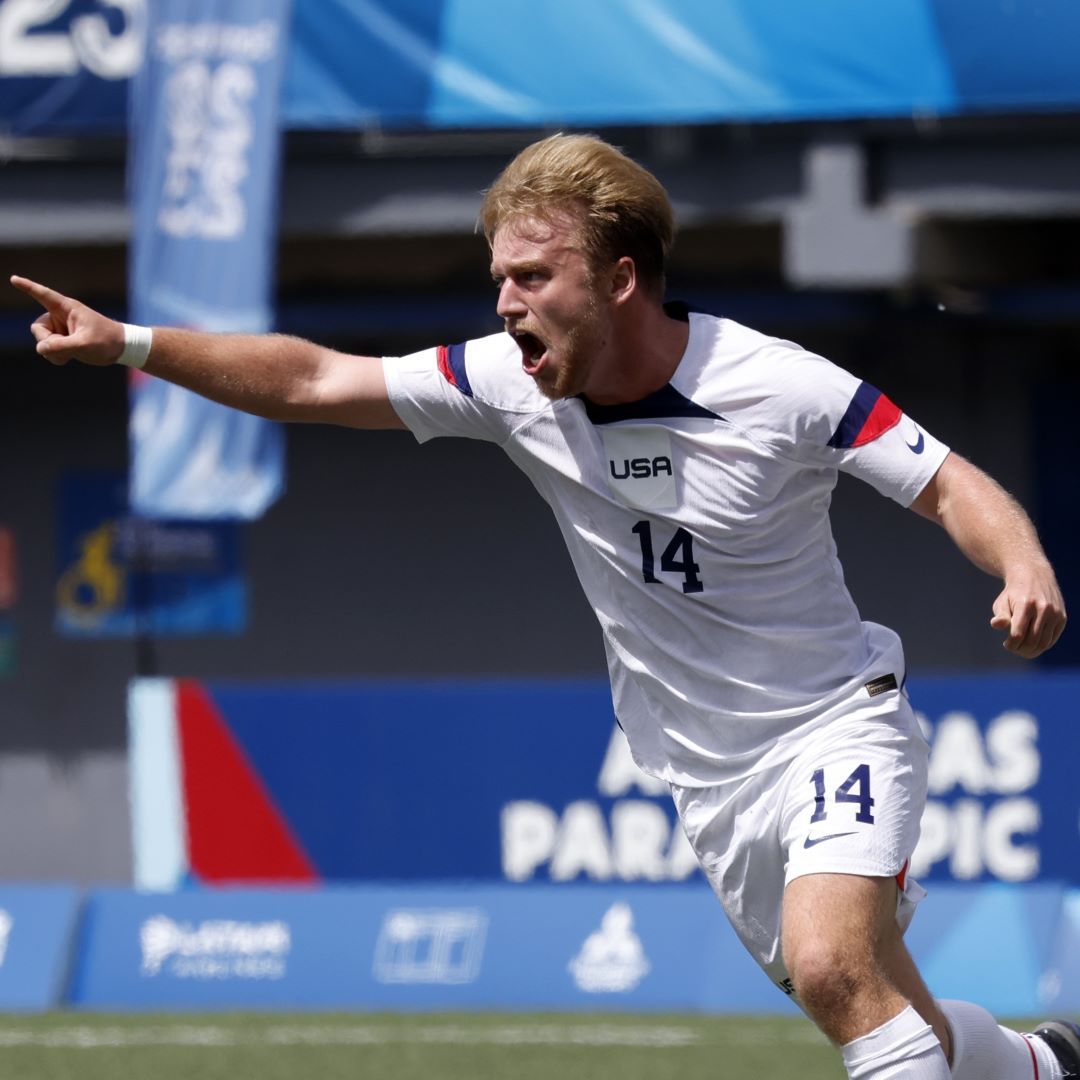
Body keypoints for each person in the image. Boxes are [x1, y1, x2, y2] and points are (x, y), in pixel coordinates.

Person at [11, 132, 1071, 1079]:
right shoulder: (509, 382)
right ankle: (1033, 1066)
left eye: (532, 276)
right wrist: (135, 343)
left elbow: (946, 482)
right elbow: (317, 381)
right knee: (881, 1005)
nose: (507, 304)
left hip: (836, 722)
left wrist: (1020, 562)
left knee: (839, 970)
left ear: (619, 279)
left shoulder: (776, 383)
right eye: (499, 279)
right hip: (706, 779)